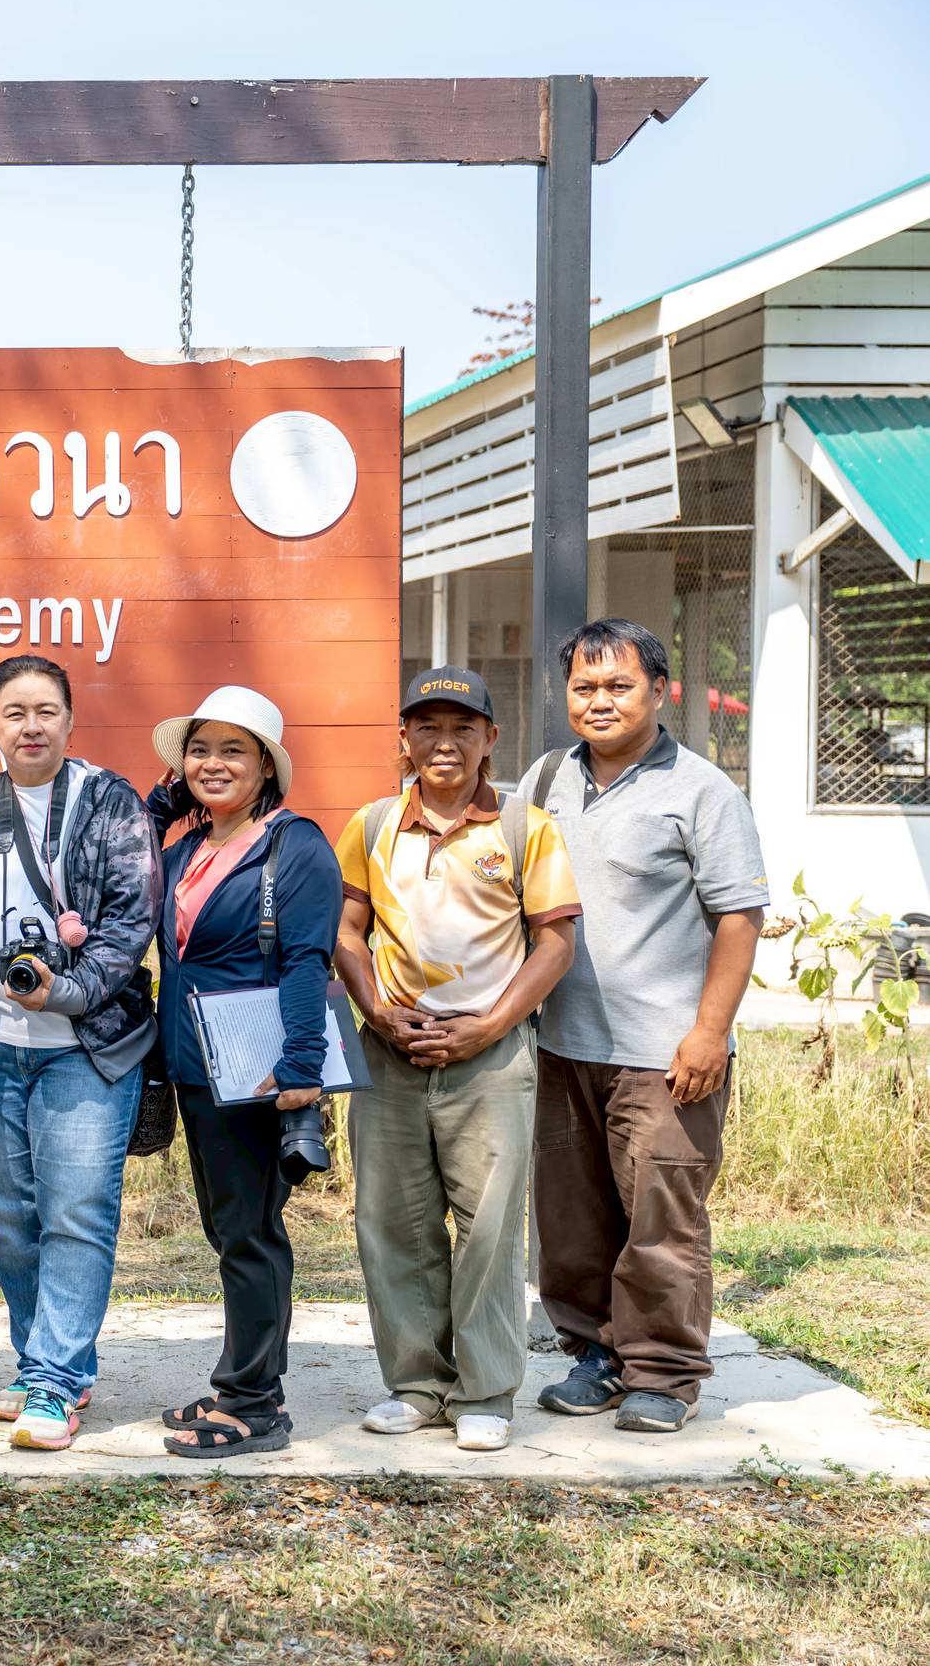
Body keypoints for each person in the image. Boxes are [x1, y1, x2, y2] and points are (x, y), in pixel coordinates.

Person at [521, 619, 768, 1434]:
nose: (600, 701)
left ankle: (664, 1374)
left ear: (659, 691)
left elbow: (739, 918)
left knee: (663, 1220)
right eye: (584, 687)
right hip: (563, 1044)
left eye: (619, 685)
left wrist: (709, 1033)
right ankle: (596, 1356)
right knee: (573, 1220)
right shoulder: (546, 779)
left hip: (663, 1055)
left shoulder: (702, 791)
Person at [334, 665, 581, 1454]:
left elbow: (555, 943)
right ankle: (416, 1385)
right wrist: (376, 1011)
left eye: (462, 728)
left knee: (488, 1230)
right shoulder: (373, 825)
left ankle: (483, 1392)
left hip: (491, 1058)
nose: (445, 742)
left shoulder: (524, 827)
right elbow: (345, 932)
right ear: (404, 738)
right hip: (392, 1052)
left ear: (489, 739)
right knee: (392, 1224)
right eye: (428, 727)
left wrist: (490, 1026)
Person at [0, 654, 162, 1453]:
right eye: (14, 713)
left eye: (46, 712)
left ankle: (57, 1382)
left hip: (83, 1046)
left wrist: (64, 991)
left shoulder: (109, 802)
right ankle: (45, 1361)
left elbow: (130, 925)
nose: (30, 727)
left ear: (70, 720)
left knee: (75, 1212)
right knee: (12, 1221)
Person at [144, 687, 339, 1460]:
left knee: (251, 1234)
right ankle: (243, 1383)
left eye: (234, 750)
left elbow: (307, 960)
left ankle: (256, 1405)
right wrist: (159, 808)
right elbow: (125, 875)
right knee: (229, 1230)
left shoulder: (295, 846)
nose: (213, 763)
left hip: (259, 1073)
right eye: (200, 749)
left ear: (266, 767)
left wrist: (301, 1066)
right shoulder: (184, 851)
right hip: (197, 1070)